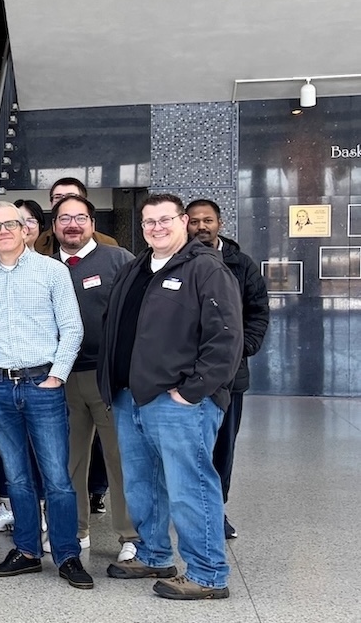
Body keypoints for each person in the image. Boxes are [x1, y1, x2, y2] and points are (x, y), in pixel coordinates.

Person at [99, 194, 243, 600]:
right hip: (131, 397)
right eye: (148, 222)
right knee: (143, 484)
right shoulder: (135, 268)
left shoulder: (206, 269)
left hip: (179, 401)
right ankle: (154, 553)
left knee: (189, 486)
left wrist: (192, 391)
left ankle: (208, 573)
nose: (156, 228)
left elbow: (226, 337)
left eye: (165, 220)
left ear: (183, 222)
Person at [0, 201, 90, 589]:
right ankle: (27, 551)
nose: (3, 231)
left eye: (10, 224)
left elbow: (72, 328)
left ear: (25, 230)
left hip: (42, 385)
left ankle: (68, 555)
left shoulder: (52, 271)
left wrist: (56, 376)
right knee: (17, 477)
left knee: (56, 477)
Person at [50, 196, 140, 561]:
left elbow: (138, 314)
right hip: (60, 377)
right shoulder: (43, 266)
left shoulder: (118, 260)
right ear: (53, 225)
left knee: (120, 458)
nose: (72, 224)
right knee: (68, 459)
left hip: (108, 378)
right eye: (64, 218)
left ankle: (131, 535)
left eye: (80, 218)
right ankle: (76, 530)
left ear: (92, 222)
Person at [185, 199, 270, 540]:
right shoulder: (172, 262)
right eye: (194, 221)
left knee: (221, 447)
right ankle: (187, 508)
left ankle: (214, 511)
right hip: (183, 377)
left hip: (229, 378)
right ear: (185, 224)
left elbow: (258, 314)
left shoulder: (241, 265)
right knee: (185, 447)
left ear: (220, 223)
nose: (201, 226)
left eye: (208, 220)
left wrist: (239, 351)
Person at [33, 177, 119, 257]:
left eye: (71, 196)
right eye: (58, 197)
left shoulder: (109, 245)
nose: (64, 202)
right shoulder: (39, 243)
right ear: (51, 203)